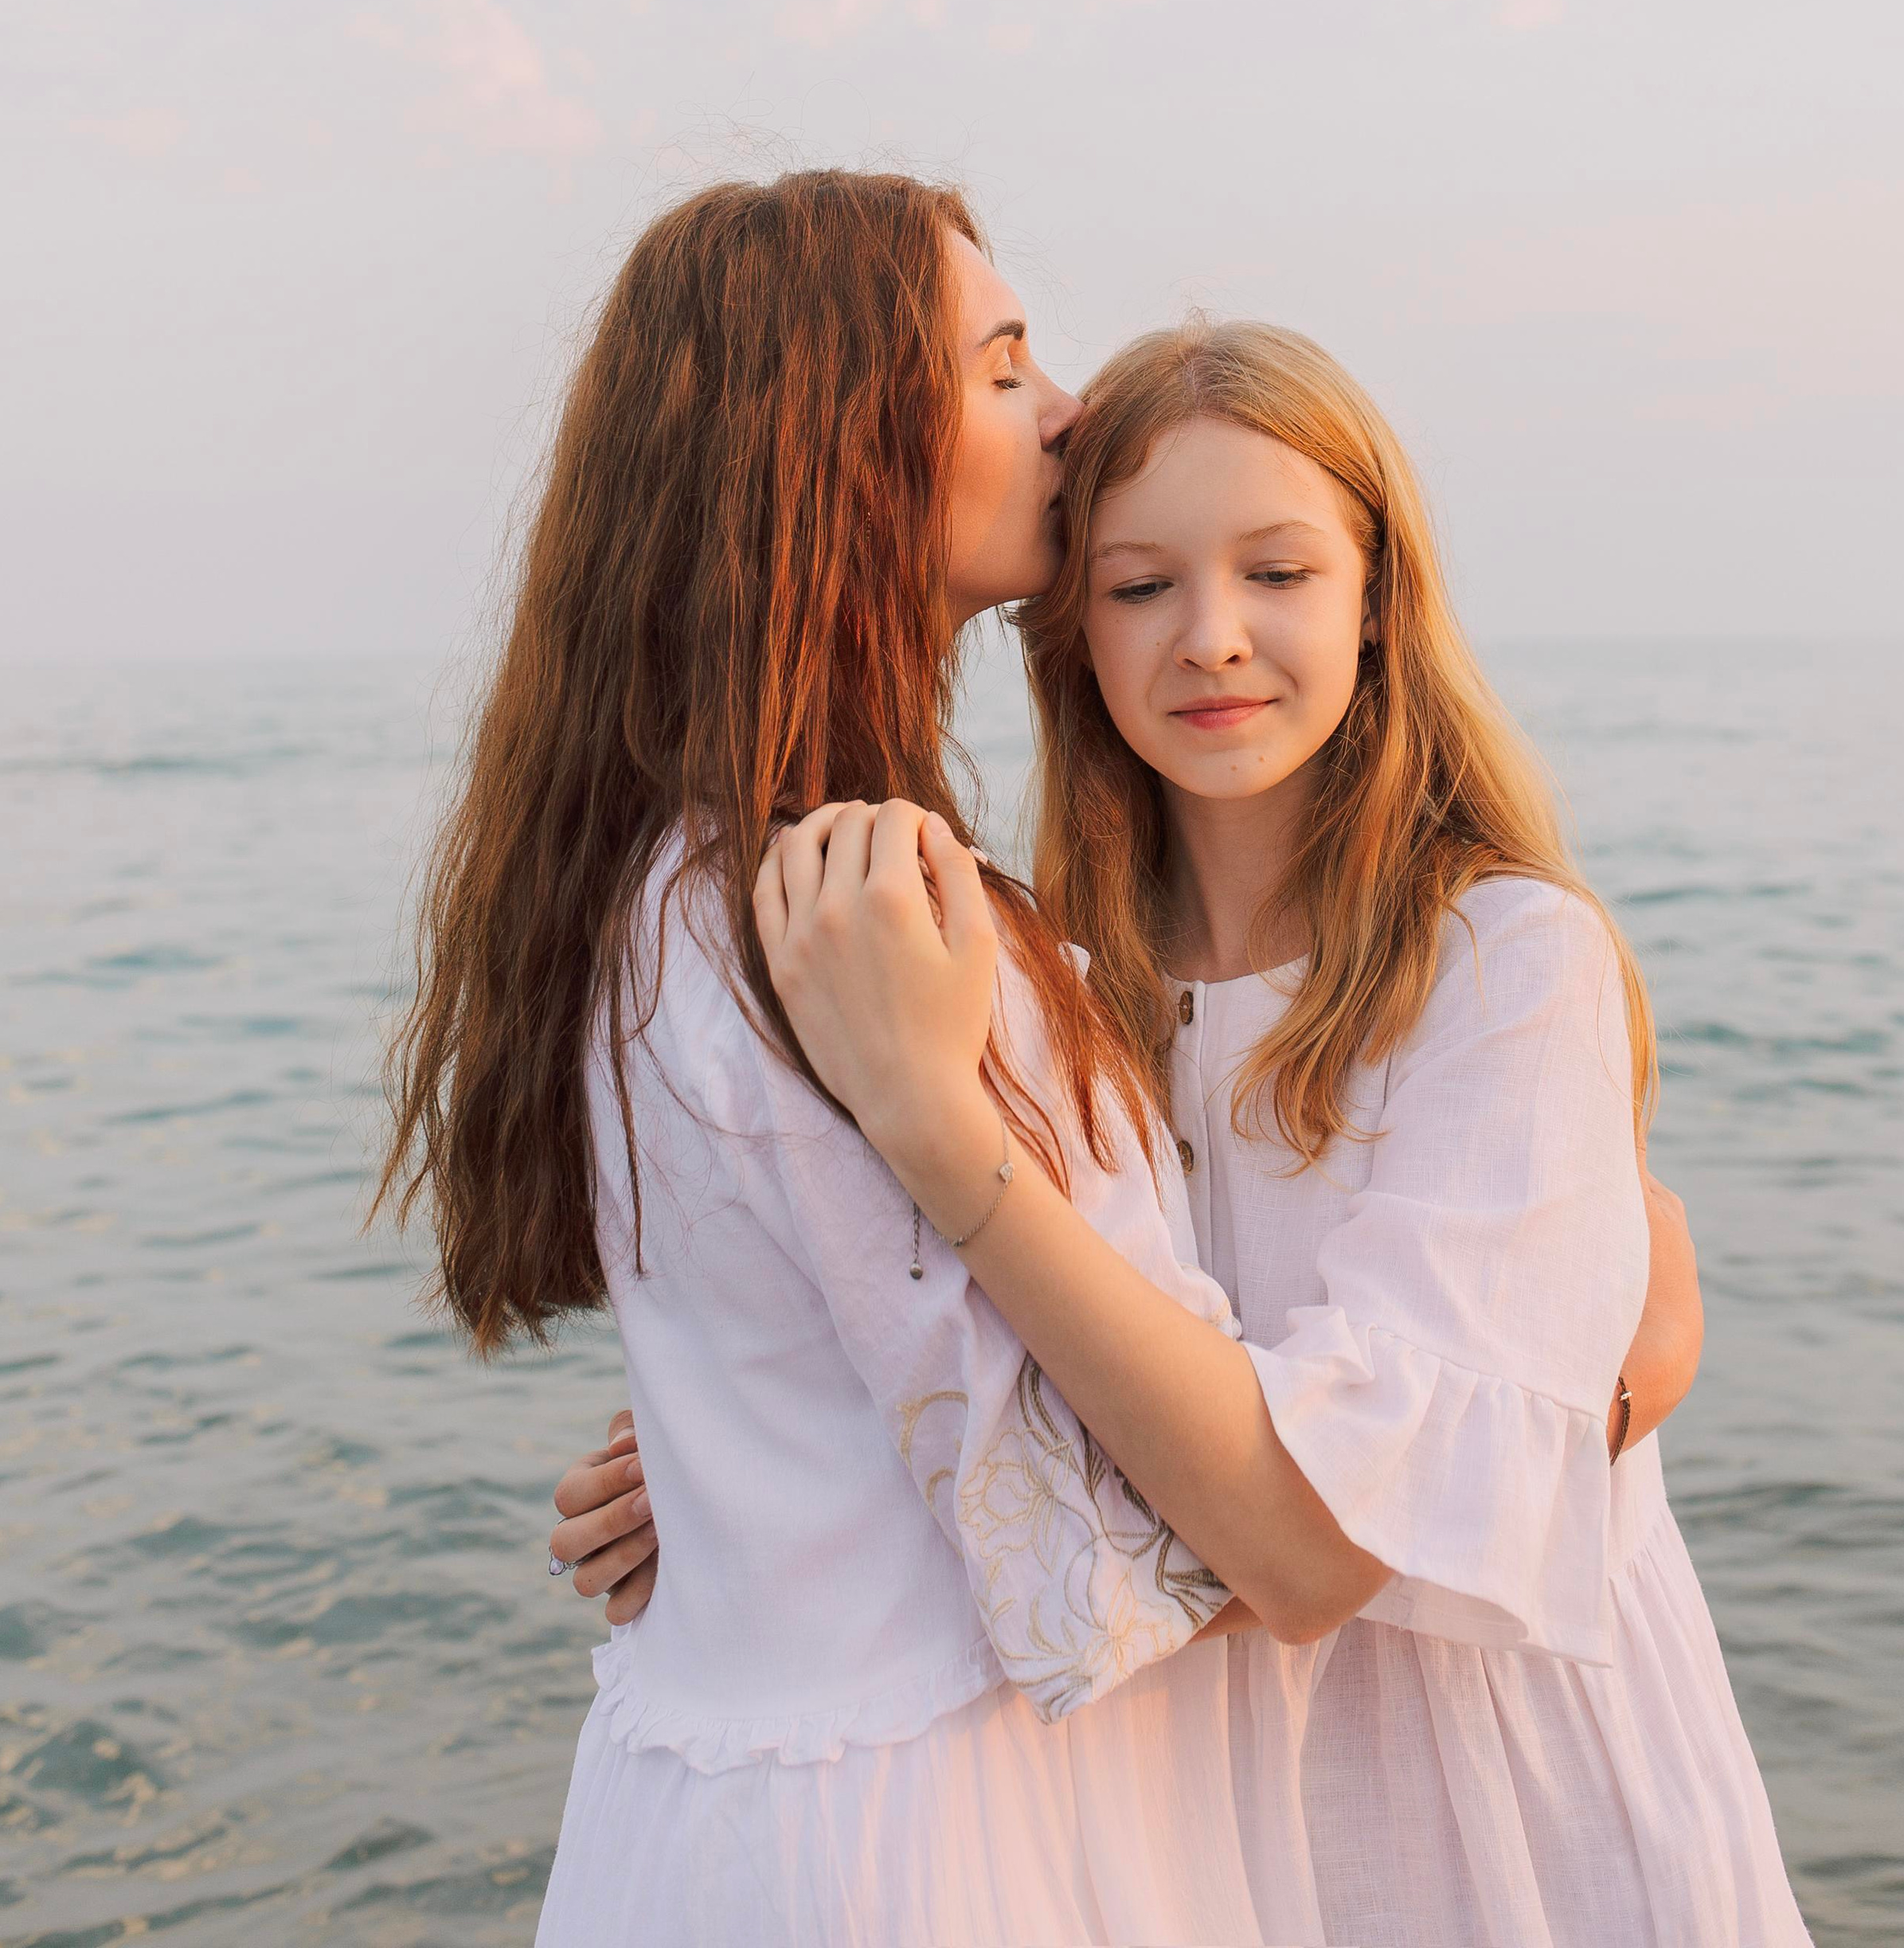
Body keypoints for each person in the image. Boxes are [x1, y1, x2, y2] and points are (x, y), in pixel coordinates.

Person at [377, 172, 1409, 1948]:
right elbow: (1157, 1543)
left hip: (699, 1810)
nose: (1066, 407)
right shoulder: (882, 919)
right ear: (840, 447)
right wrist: (1532, 1398)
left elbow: (843, 1369)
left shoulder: (653, 892)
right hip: (946, 1838)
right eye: (1001, 366)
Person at [741, 319, 1812, 1946]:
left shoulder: (1504, 961)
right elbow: (1004, 1386)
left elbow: (1324, 1538)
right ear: (1072, 632)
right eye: (1139, 584)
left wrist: (934, 1134)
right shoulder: (1044, 978)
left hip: (1497, 1791)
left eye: (1278, 573)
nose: (1212, 638)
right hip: (1174, 1790)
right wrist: (769, 1471)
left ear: (1378, 598)